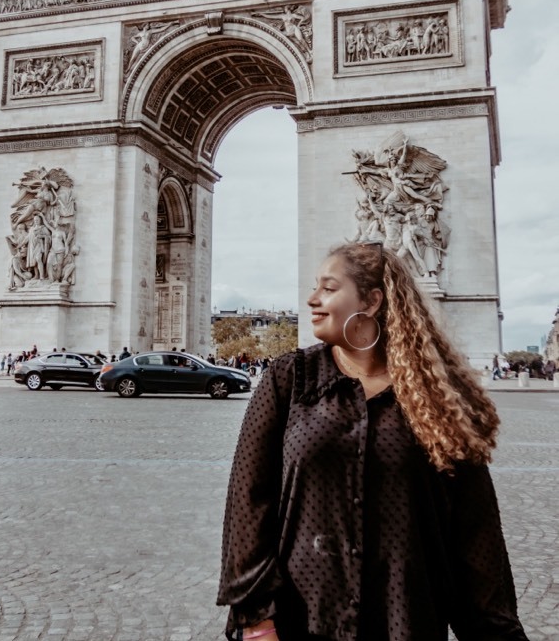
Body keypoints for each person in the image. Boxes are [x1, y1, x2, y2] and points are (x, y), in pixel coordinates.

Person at [218, 242, 528, 641]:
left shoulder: (440, 397)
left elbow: (475, 534)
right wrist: (257, 621)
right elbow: (247, 502)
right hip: (300, 622)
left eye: (329, 288)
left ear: (372, 300)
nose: (312, 299)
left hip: (404, 620)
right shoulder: (288, 379)